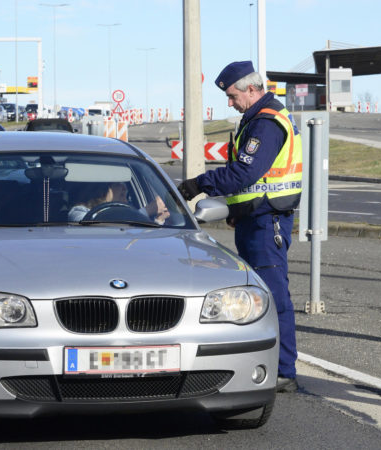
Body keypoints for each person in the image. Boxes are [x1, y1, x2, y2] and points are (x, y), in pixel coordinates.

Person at [177, 61, 302, 393]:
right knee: (259, 297)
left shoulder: (266, 123)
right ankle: (270, 365)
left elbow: (242, 175)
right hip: (255, 219)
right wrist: (235, 208)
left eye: (233, 96)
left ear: (252, 88)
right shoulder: (258, 119)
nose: (230, 103)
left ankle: (284, 369)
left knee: (274, 297)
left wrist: (198, 185)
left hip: (266, 223)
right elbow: (249, 182)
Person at [68, 182, 169, 224]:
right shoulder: (78, 211)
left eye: (124, 184)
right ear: (101, 190)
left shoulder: (130, 209)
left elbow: (136, 238)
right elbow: (98, 225)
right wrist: (146, 211)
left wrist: (158, 221)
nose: (124, 188)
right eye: (117, 184)